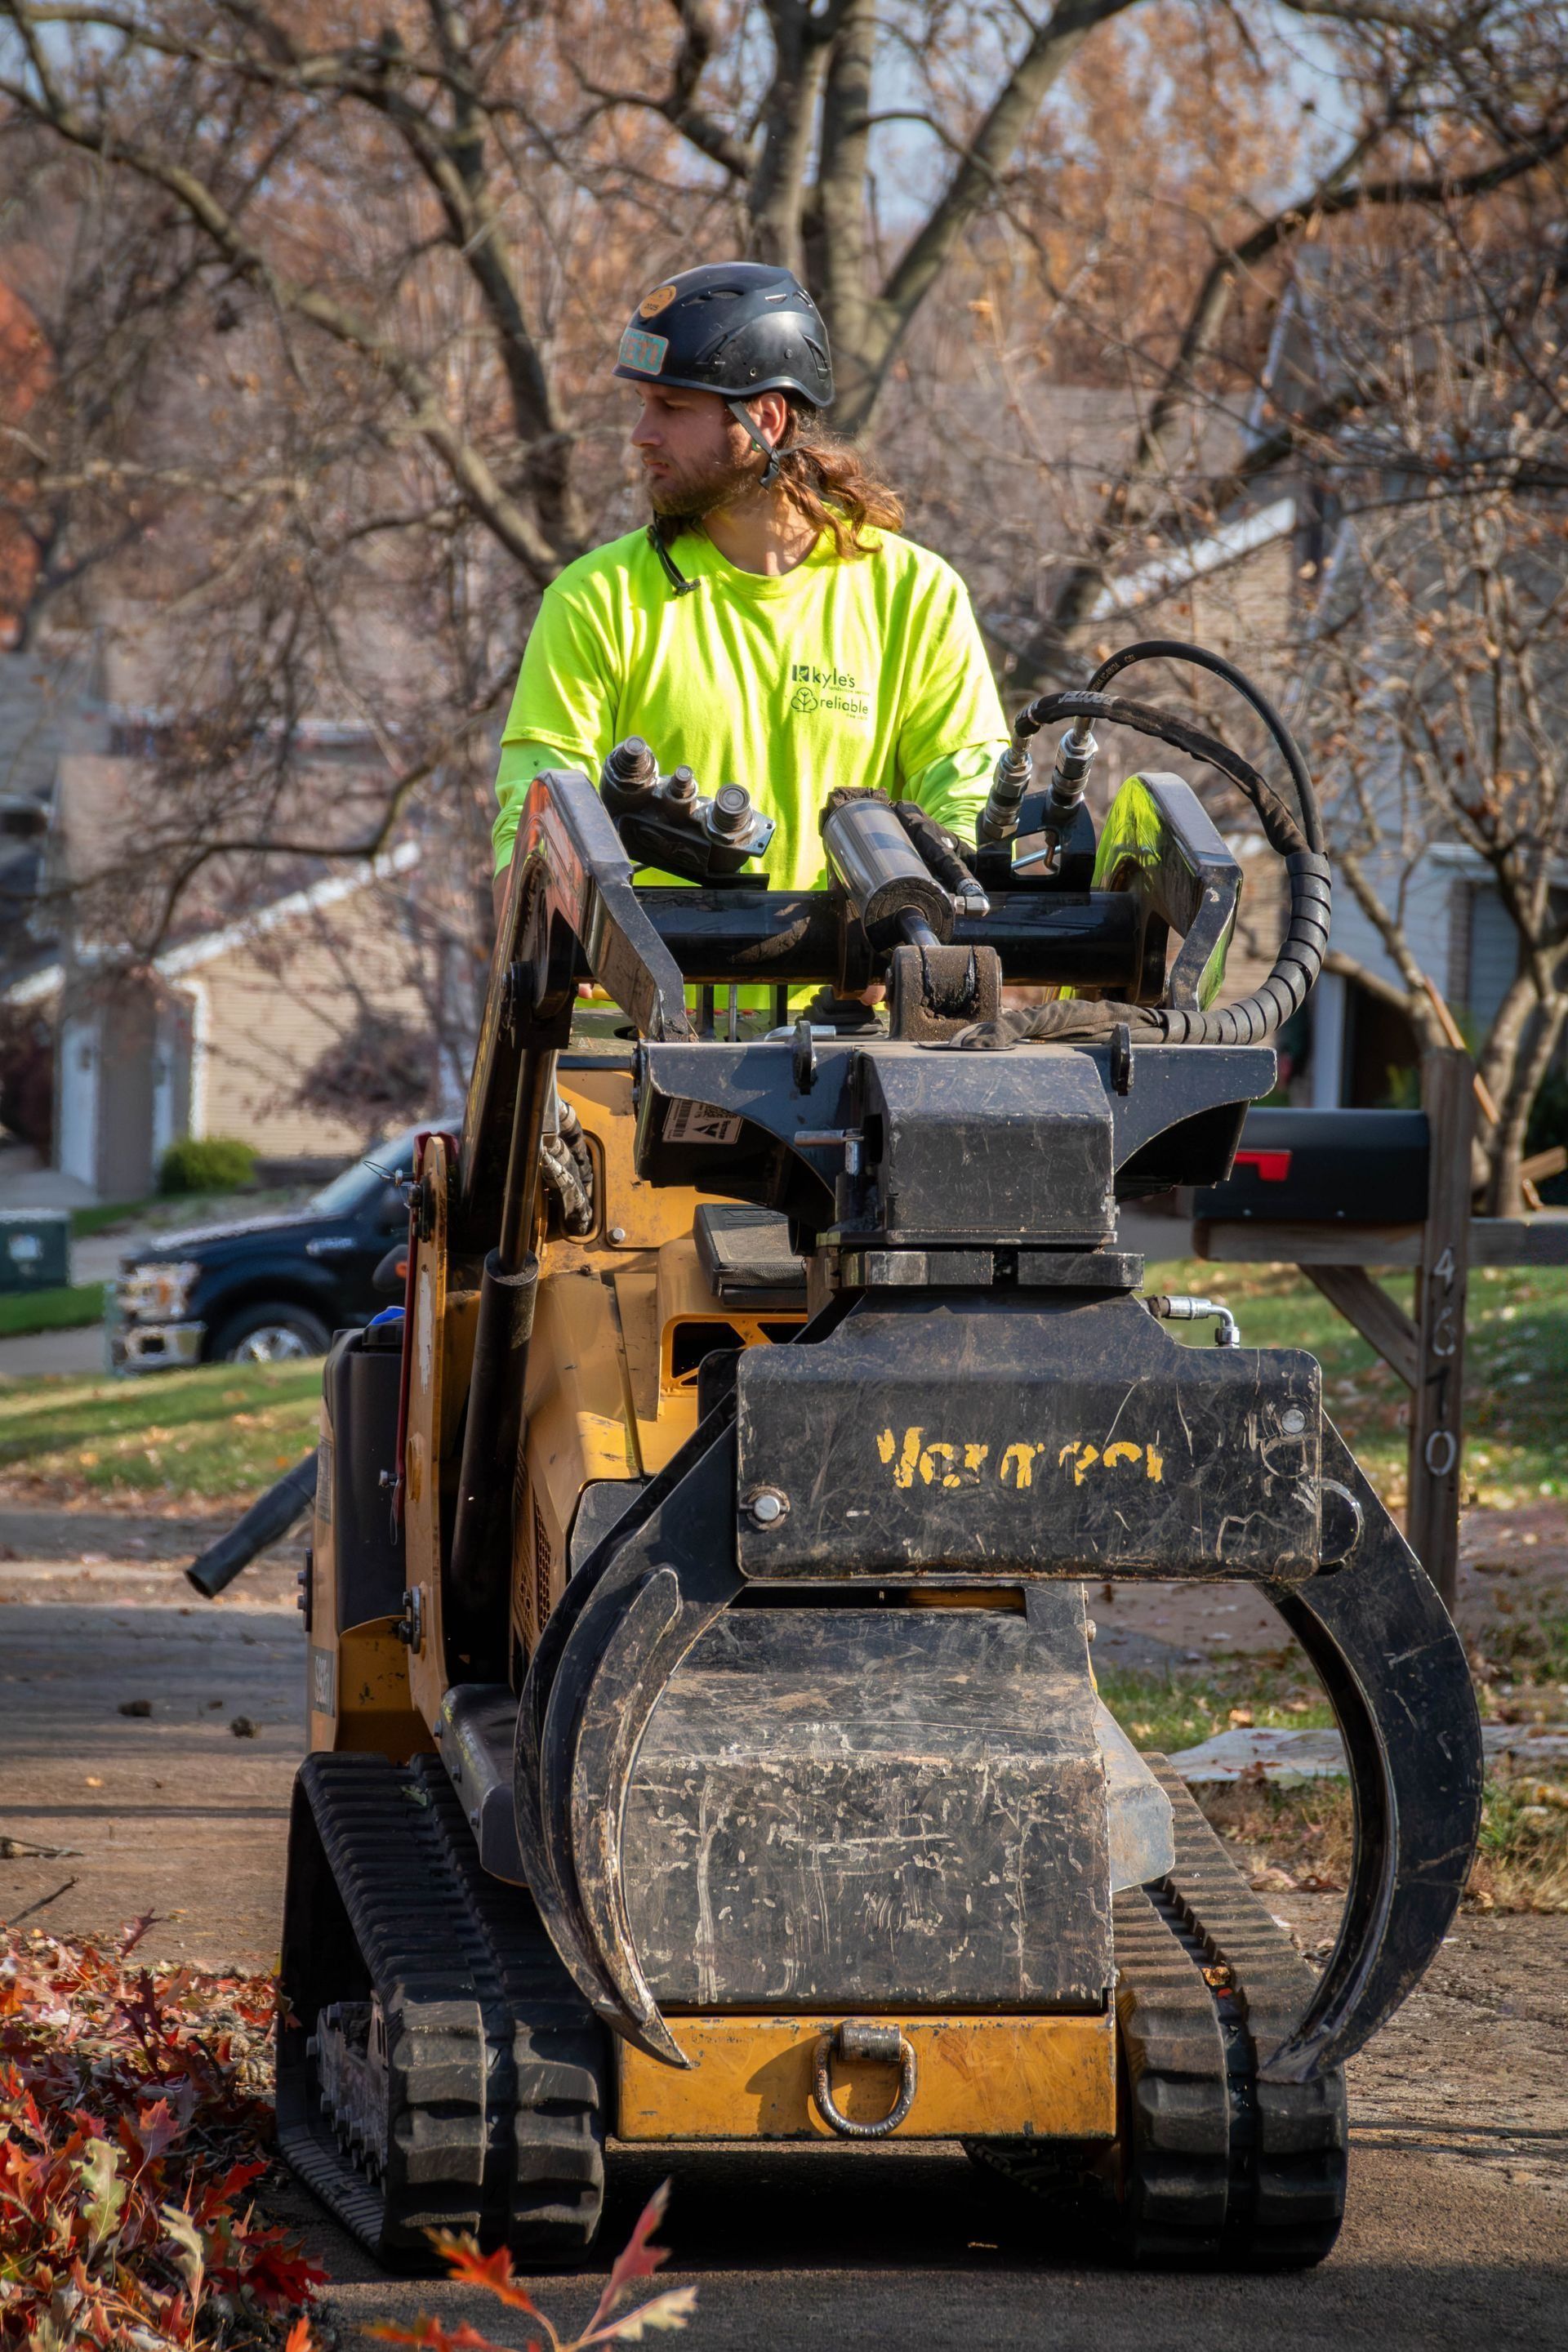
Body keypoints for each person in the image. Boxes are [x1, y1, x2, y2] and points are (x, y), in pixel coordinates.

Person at [491, 261, 1009, 938]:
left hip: (855, 1027)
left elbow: (966, 796)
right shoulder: (596, 599)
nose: (641, 435)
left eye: (672, 409)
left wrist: (916, 926)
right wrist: (545, 926)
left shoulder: (915, 595)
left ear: (764, 417)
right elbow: (532, 818)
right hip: (643, 1029)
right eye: (643, 405)